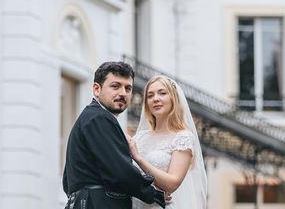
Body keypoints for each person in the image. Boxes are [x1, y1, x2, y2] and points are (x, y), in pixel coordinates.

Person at [62, 61, 167, 209]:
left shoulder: (91, 117)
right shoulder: (99, 118)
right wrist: (152, 193)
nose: (123, 93)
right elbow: (120, 172)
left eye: (128, 88)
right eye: (115, 86)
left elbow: (67, 180)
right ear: (97, 89)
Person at [127, 75, 208, 209]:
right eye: (150, 95)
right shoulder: (139, 137)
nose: (156, 99)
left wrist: (138, 158)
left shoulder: (183, 137)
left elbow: (172, 183)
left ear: (173, 99)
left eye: (162, 93)